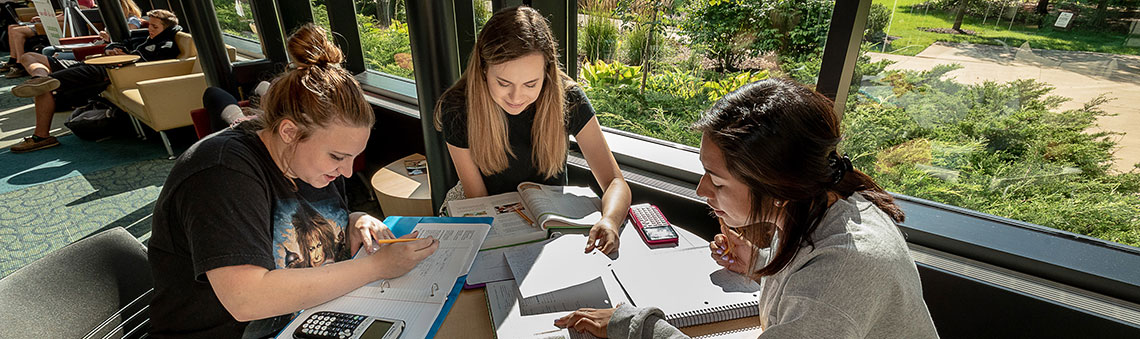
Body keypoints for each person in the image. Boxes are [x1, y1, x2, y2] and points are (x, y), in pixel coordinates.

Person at [555, 79, 939, 338]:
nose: (702, 190)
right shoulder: (831, 204)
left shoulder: (840, 278)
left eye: (717, 180)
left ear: (777, 187)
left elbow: (824, 294)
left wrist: (632, 325)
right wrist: (763, 262)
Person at [147, 24, 439, 338]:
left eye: (354, 157)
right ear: (289, 132)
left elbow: (313, 226)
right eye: (338, 157)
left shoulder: (309, 160)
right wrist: (377, 266)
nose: (347, 172)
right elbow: (247, 298)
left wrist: (355, 222)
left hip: (309, 317)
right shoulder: (220, 173)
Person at [435, 6, 631, 254]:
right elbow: (479, 198)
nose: (516, 97)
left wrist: (611, 220)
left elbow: (615, 181)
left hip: (549, 220)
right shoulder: (458, 107)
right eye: (503, 83)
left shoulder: (569, 99)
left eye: (531, 83)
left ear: (547, 73)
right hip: (484, 210)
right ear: (483, 69)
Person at [7, 8, 181, 153]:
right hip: (96, 62)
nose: (149, 28)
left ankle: (42, 136)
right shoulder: (146, 37)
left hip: (104, 71)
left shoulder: (165, 44)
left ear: (165, 28)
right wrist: (112, 50)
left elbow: (149, 62)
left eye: (154, 26)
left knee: (42, 88)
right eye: (150, 24)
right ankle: (39, 77)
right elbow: (121, 43)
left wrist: (127, 56)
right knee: (29, 57)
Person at [19, 0, 143, 72]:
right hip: (96, 43)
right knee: (48, 49)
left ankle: (52, 77)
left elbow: (126, 36)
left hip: (103, 48)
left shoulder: (132, 20)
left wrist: (108, 37)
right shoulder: (112, 18)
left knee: (53, 53)